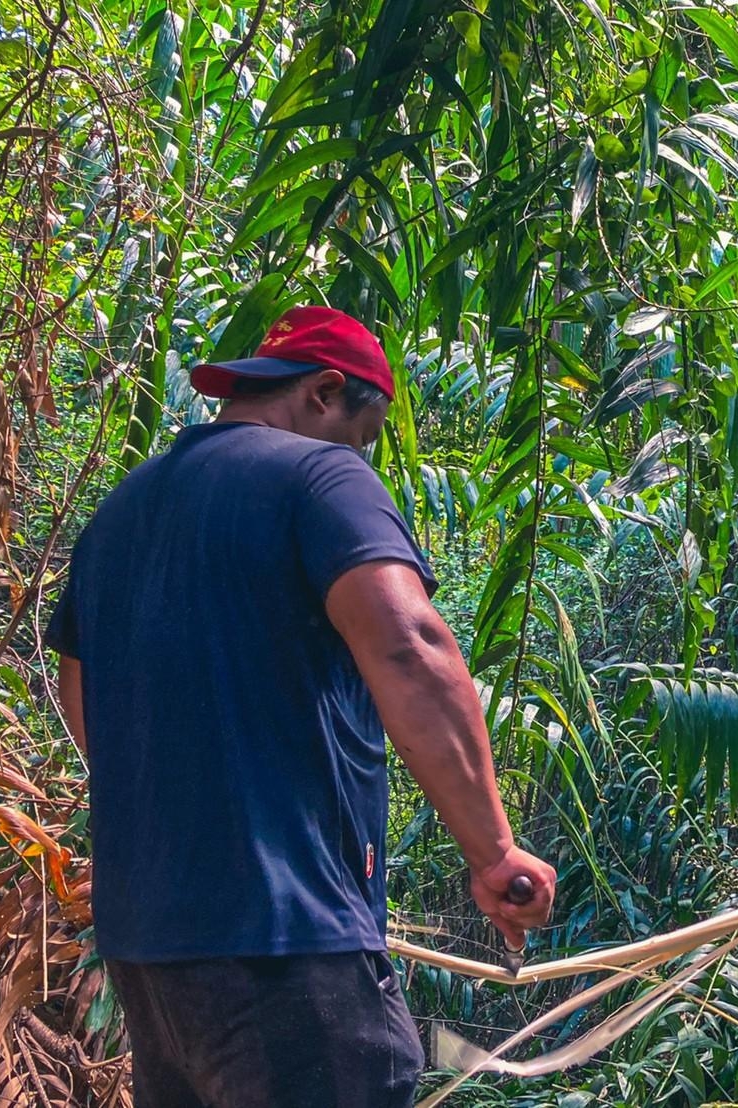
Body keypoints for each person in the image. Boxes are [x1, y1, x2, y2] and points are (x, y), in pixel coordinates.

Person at [48, 305, 556, 1108]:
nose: (363, 454)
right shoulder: (320, 477)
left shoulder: (119, 516)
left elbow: (90, 701)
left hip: (150, 953)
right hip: (284, 944)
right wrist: (494, 852)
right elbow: (408, 647)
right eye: (366, 432)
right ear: (325, 393)